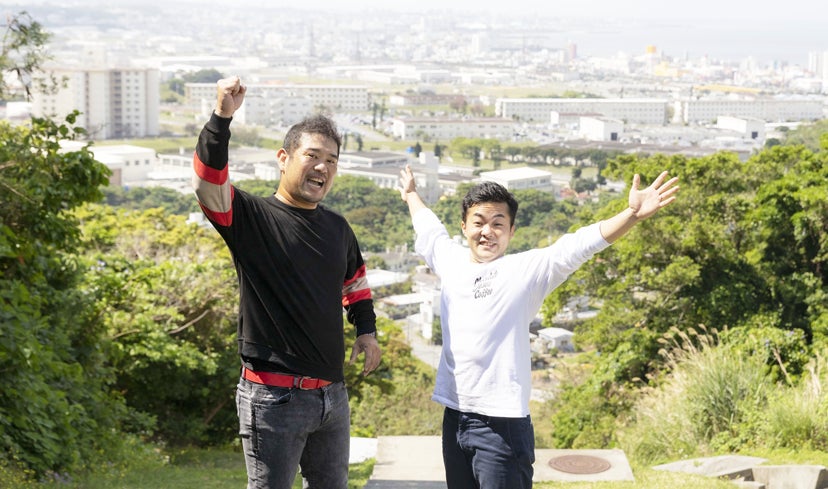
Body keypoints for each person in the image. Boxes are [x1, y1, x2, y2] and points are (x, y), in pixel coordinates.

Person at [397, 165, 678, 489]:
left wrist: (631, 215)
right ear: (464, 226)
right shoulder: (452, 261)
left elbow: (578, 245)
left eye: (498, 223)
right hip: (455, 416)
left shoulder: (525, 270)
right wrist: (411, 194)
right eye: (478, 222)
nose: (487, 231)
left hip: (501, 424)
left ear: (512, 231)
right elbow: (430, 229)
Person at [192, 76, 381, 489]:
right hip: (273, 398)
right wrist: (222, 116)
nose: (323, 167)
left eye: (331, 160)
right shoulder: (251, 217)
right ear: (283, 158)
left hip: (332, 395)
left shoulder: (338, 228)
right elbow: (208, 183)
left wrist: (366, 331)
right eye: (312, 155)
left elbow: (355, 284)